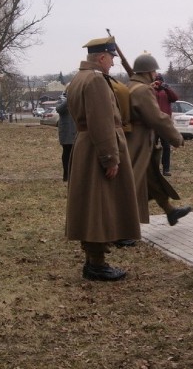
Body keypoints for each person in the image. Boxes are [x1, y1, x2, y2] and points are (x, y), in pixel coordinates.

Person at [65, 37, 140, 282]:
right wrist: (110, 158)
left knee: (91, 207)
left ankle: (93, 261)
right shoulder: (96, 79)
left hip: (87, 147)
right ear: (101, 58)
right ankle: (96, 264)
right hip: (99, 148)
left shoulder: (79, 78)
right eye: (111, 58)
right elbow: (102, 123)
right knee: (99, 208)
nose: (112, 63)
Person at [127, 53, 192, 227]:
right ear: (148, 71)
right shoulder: (143, 89)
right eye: (154, 70)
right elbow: (157, 118)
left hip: (137, 142)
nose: (155, 74)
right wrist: (176, 138)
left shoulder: (131, 86)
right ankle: (123, 228)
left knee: (152, 178)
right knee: (131, 185)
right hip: (139, 143)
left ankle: (170, 210)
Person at [152, 74, 178, 176]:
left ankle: (166, 168)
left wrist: (166, 88)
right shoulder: (151, 91)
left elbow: (175, 98)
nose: (158, 83)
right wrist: (152, 87)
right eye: (156, 81)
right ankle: (153, 168)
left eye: (160, 81)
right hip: (153, 123)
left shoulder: (165, 92)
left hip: (164, 124)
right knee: (152, 147)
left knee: (166, 146)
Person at [55, 89, 77, 182]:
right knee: (67, 152)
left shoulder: (77, 99)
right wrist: (69, 99)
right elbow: (59, 109)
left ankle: (74, 174)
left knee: (76, 153)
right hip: (66, 131)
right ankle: (66, 175)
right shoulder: (62, 99)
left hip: (76, 130)